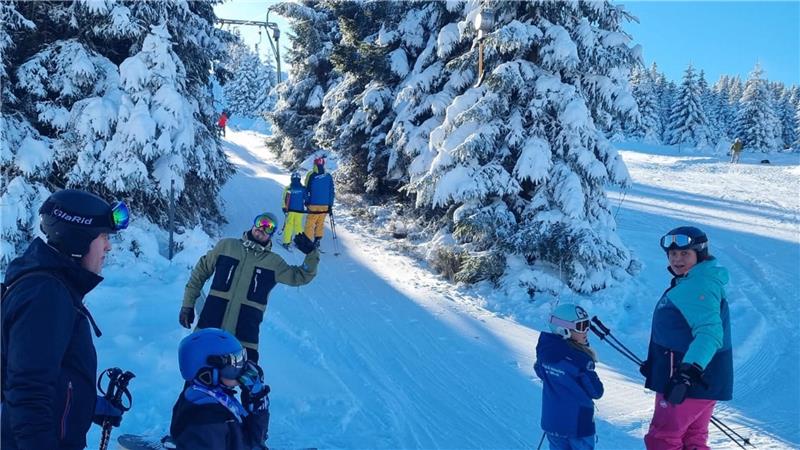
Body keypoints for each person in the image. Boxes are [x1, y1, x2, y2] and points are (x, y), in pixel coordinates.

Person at [1, 189, 130, 449]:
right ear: (78, 241)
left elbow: (53, 379)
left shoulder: (53, 287)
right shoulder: (46, 296)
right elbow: (28, 393)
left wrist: (90, 406)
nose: (108, 247)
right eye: (103, 236)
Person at [178, 212, 319, 362]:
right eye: (260, 222)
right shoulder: (227, 246)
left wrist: (311, 254)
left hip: (243, 343)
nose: (262, 229)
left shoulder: (274, 263)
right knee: (196, 375)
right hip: (209, 330)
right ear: (253, 223)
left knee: (234, 383)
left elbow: (301, 276)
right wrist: (187, 305)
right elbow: (200, 273)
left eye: (269, 227)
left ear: (272, 234)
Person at [640, 226, 732, 450]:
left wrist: (687, 373)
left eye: (684, 253)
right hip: (702, 380)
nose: (677, 259)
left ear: (699, 254)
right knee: (693, 439)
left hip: (687, 380)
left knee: (663, 440)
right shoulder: (697, 280)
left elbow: (710, 333)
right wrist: (656, 364)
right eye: (673, 254)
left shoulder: (697, 285)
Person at [170, 328, 269, 450]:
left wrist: (256, 400)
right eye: (234, 364)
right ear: (207, 373)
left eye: (242, 358)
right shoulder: (206, 422)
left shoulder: (212, 398)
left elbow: (251, 441)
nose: (243, 369)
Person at [534, 303, 604, 450]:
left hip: (552, 422)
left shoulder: (544, 352)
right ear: (563, 329)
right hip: (579, 425)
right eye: (580, 326)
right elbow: (596, 392)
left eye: (587, 324)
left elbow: (540, 371)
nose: (586, 330)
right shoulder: (581, 360)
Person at [303, 154, 335, 248]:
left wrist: (306, 201)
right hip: (325, 205)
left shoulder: (311, 174)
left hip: (313, 203)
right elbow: (331, 191)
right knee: (320, 223)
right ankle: (317, 240)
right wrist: (330, 204)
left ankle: (308, 242)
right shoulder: (328, 176)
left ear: (314, 164)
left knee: (310, 223)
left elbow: (306, 189)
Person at [281, 171, 307, 250]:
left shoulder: (288, 188)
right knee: (298, 226)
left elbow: (284, 199)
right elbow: (306, 199)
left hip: (290, 210)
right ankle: (299, 243)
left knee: (289, 226)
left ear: (291, 179)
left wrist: (284, 208)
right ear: (299, 179)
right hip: (300, 211)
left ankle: (286, 242)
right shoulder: (303, 189)